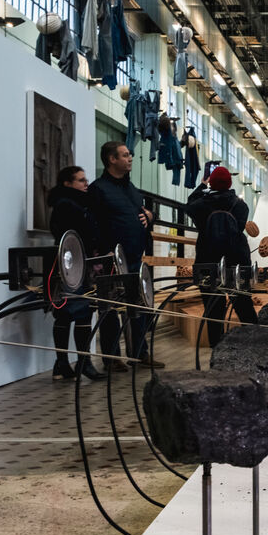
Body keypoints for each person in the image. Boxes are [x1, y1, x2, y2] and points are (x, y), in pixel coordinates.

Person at [87, 141, 164, 370]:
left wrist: (150, 216)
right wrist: (103, 250)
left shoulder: (131, 188)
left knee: (137, 306)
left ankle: (139, 354)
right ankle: (112, 359)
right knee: (111, 309)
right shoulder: (98, 189)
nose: (130, 158)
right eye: (125, 155)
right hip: (110, 259)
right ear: (112, 159)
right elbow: (92, 223)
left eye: (129, 155)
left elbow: (143, 213)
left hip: (134, 257)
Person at [47, 165, 106, 382]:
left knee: (76, 312)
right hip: (72, 264)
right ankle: (77, 363)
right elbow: (73, 234)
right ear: (68, 183)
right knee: (75, 311)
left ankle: (66, 363)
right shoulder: (67, 205)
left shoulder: (77, 204)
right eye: (81, 180)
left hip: (79, 263)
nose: (86, 183)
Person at [188, 166, 257, 347]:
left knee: (213, 312)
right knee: (244, 307)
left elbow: (189, 204)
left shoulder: (200, 205)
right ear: (230, 183)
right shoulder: (241, 206)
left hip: (207, 263)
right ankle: (257, 346)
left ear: (211, 183)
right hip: (237, 262)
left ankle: (217, 351)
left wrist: (202, 186)